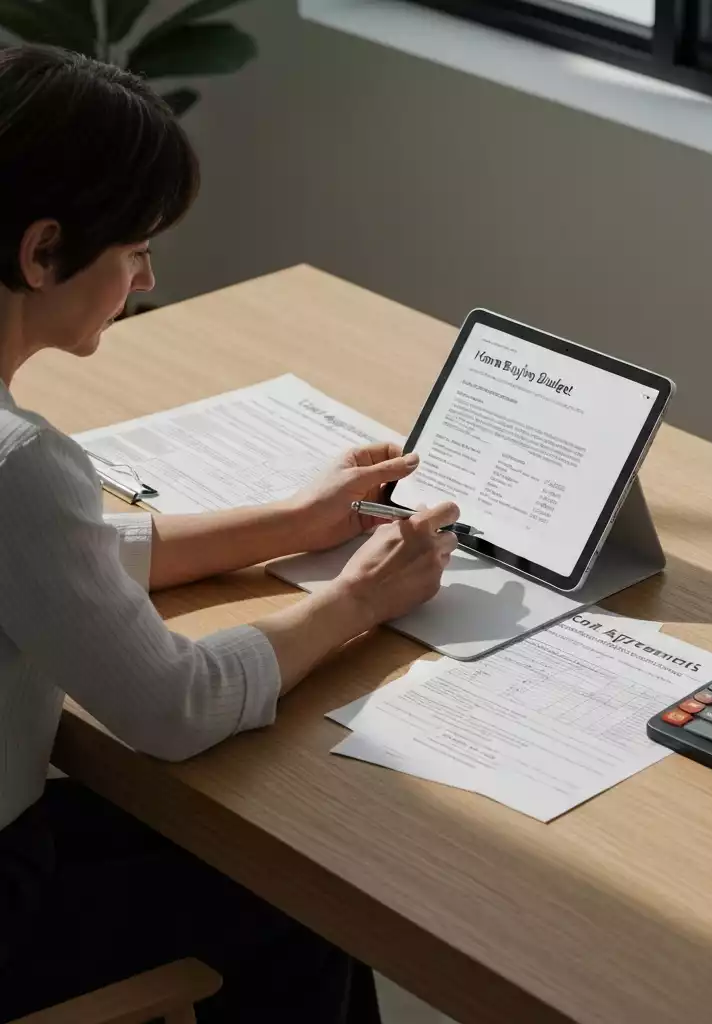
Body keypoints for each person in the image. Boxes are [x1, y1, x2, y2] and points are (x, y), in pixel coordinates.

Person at [0, 45, 459, 1022]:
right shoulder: (19, 463)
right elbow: (176, 704)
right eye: (135, 250)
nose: (148, 278)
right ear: (43, 252)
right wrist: (362, 598)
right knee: (305, 891)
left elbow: (51, 563)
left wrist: (290, 522)